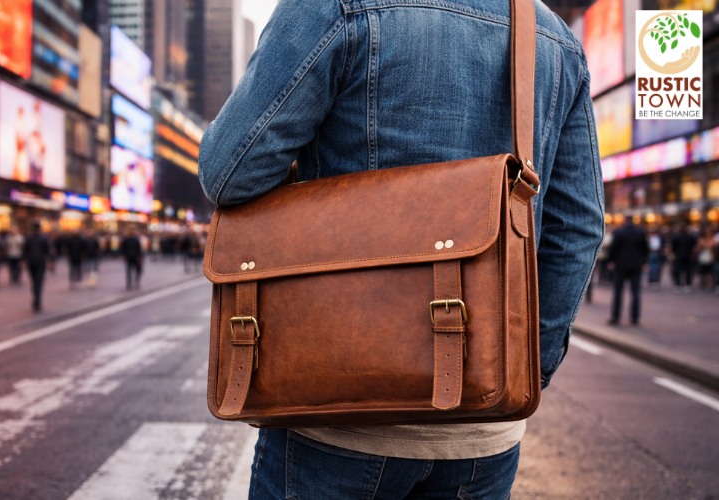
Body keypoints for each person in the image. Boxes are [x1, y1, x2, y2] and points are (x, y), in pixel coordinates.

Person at [197, 0, 604, 497]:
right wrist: (518, 368)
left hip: (339, 418)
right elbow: (578, 226)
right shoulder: (551, 35)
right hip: (483, 440)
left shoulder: (335, 7)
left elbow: (228, 173)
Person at [606, 217, 649, 326]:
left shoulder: (619, 232)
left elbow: (613, 248)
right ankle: (635, 317)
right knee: (635, 291)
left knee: (618, 292)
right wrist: (644, 262)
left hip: (621, 265)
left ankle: (615, 316)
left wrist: (611, 261)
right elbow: (645, 249)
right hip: (636, 265)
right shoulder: (640, 232)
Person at [23, 221, 50, 312]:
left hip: (31, 262)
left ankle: (36, 299)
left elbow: (25, 250)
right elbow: (48, 251)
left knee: (34, 282)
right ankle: (37, 300)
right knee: (38, 282)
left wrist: (24, 260)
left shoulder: (28, 237)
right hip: (39, 262)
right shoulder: (43, 238)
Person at [670, 223, 697, 293]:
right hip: (683, 256)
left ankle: (682, 284)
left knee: (684, 271)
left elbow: (673, 247)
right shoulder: (687, 236)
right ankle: (683, 284)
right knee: (684, 271)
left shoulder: (685, 236)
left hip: (684, 256)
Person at [647, 226, 664, 290]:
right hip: (650, 253)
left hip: (657, 253)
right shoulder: (648, 238)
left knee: (657, 268)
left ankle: (656, 281)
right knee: (651, 268)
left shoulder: (659, 237)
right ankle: (651, 281)